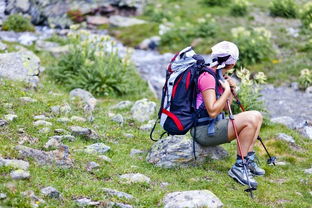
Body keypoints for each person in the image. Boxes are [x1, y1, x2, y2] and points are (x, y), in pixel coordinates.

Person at [190, 41, 264, 188]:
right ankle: (239, 167)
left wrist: (230, 90)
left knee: (257, 116)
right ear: (233, 63)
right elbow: (212, 111)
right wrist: (226, 91)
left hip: (212, 126)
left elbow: (224, 108)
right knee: (251, 118)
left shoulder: (217, 74)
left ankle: (247, 161)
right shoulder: (207, 77)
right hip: (203, 131)